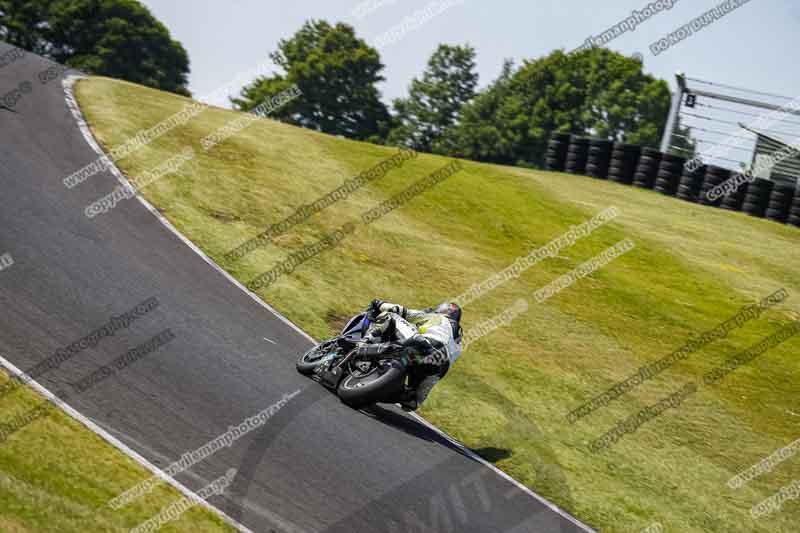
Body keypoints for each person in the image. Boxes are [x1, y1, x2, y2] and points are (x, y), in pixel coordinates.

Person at [356, 299, 463, 411]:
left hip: (425, 344)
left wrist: (379, 304)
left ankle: (363, 344)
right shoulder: (458, 342)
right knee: (411, 403)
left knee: (390, 316)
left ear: (442, 311)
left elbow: (402, 311)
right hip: (437, 368)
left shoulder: (437, 318)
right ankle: (408, 396)